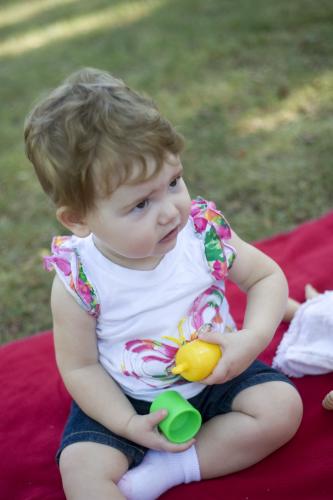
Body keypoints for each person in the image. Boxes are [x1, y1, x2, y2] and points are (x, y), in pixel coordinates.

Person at [24, 68, 303, 500]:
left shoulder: (201, 233)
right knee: (80, 470)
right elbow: (81, 368)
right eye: (140, 204)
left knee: (282, 409)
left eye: (173, 182)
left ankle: (174, 469)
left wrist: (253, 338)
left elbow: (265, 277)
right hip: (126, 396)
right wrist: (127, 424)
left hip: (216, 374)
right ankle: (136, 459)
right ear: (79, 219)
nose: (170, 210)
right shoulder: (79, 280)